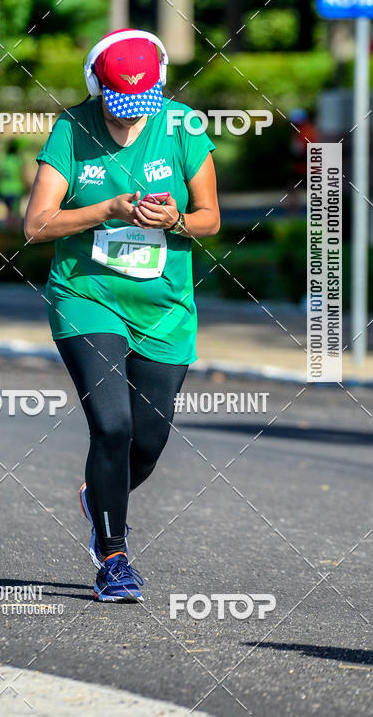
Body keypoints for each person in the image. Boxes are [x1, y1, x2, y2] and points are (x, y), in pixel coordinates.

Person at [24, 29, 220, 602]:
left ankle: (100, 495)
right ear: (97, 86)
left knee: (148, 441)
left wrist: (175, 222)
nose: (131, 120)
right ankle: (113, 556)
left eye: (142, 108)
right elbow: (36, 225)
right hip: (88, 294)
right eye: (119, 106)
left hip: (163, 307)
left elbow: (210, 217)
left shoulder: (183, 127)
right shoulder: (71, 130)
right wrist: (106, 209)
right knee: (111, 426)